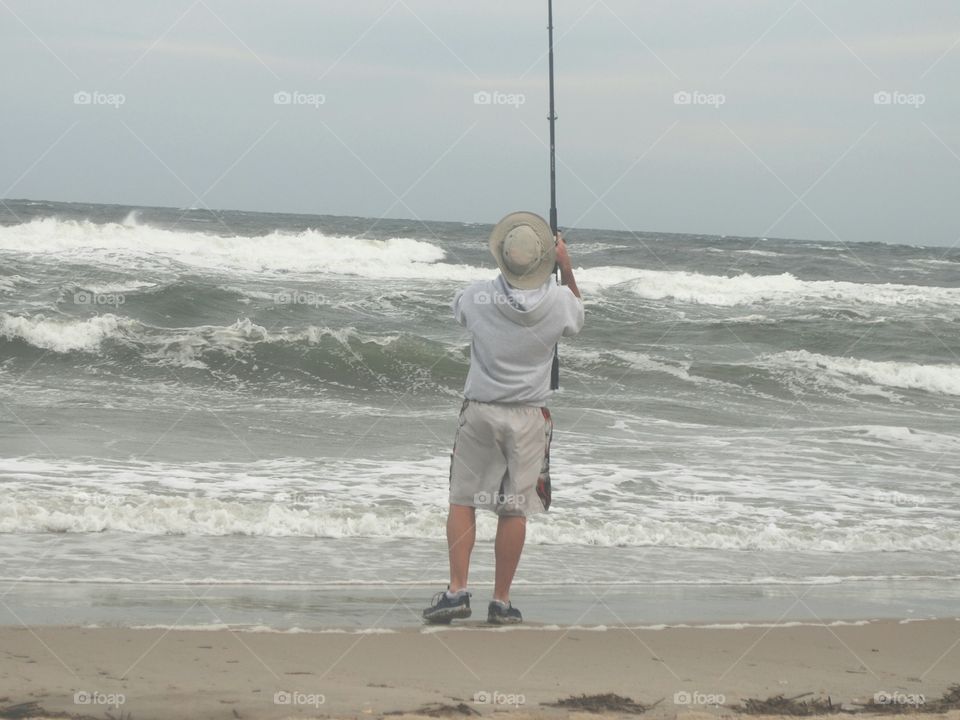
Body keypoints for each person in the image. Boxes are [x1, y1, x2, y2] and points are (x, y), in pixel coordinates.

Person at [423, 211, 584, 625]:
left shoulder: (477, 296)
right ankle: (501, 601)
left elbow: (459, 312)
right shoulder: (559, 300)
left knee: (463, 500)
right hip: (529, 416)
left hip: (480, 410)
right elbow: (577, 319)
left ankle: (457, 591)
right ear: (544, 259)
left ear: (501, 257)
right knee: (513, 509)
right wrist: (563, 266)